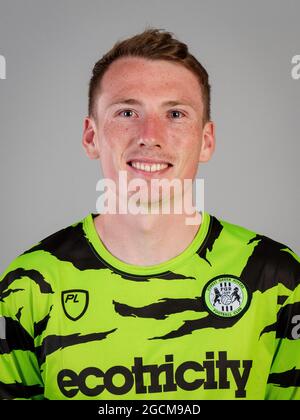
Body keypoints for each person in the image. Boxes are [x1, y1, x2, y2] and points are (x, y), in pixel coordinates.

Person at [0, 28, 299, 401]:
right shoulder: (28, 285)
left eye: (175, 113)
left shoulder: (279, 278)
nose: (150, 135)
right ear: (91, 136)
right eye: (127, 112)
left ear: (206, 140)